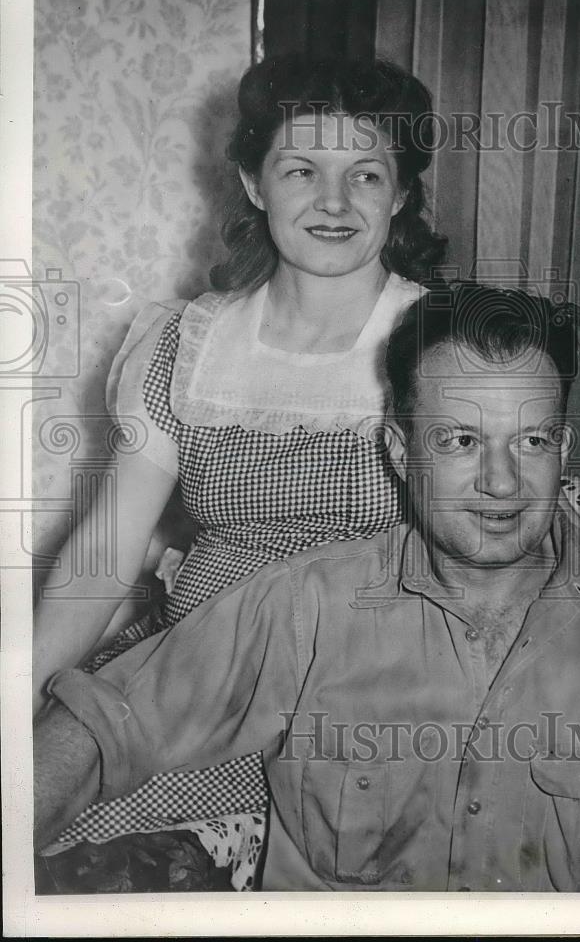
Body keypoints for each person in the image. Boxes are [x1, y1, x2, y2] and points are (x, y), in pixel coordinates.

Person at [35, 283, 580, 892]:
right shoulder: (305, 607)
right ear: (400, 452)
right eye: (460, 441)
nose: (502, 482)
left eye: (531, 441)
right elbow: (102, 730)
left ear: (563, 450)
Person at [32, 55, 447, 890]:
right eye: (302, 170)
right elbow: (102, 560)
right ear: (254, 184)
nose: (334, 203)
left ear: (399, 196)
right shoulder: (186, 344)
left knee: (94, 843)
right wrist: (16, 691)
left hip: (363, 681)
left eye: (365, 174)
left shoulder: (447, 343)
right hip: (184, 661)